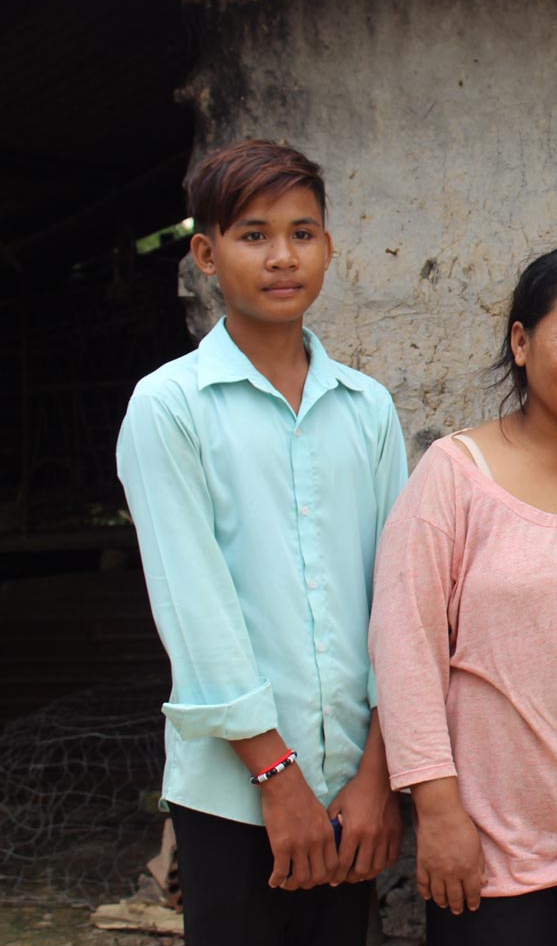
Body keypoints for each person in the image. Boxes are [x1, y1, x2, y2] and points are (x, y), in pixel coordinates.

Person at [116, 139, 406, 946]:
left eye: (302, 232)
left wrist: (379, 775)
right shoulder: (171, 406)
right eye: (253, 234)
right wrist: (278, 779)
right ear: (206, 253)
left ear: (329, 245)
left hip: (355, 786)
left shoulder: (366, 408)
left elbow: (400, 597)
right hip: (234, 796)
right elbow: (195, 608)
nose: (283, 256)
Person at [370, 244, 557, 946]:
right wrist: (437, 806)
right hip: (489, 847)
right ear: (520, 341)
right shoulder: (454, 476)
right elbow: (406, 645)